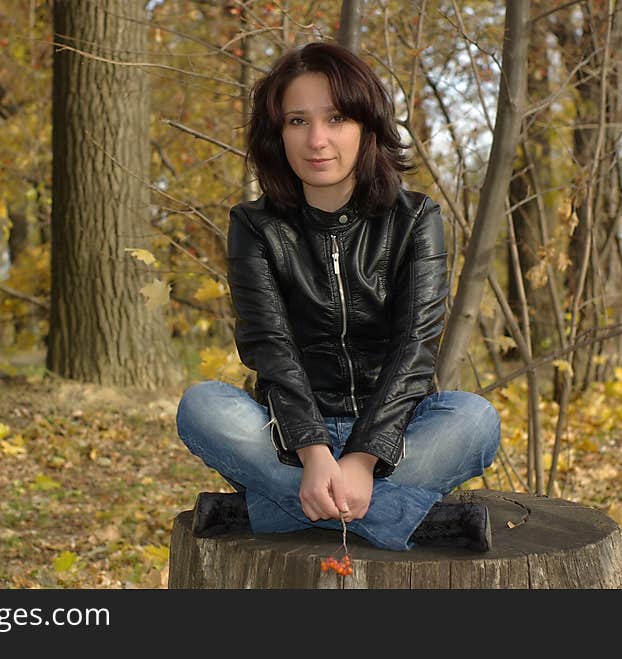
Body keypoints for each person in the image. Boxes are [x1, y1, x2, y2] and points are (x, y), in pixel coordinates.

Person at [175, 41, 500, 552]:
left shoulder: (416, 219)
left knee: (476, 420)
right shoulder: (255, 227)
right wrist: (316, 454)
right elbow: (270, 346)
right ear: (277, 133)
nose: (318, 140)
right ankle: (419, 521)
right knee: (201, 407)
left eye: (337, 118)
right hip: (287, 435)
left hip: (396, 432)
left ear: (367, 127)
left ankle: (269, 510)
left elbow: (416, 348)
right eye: (298, 121)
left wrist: (363, 457)